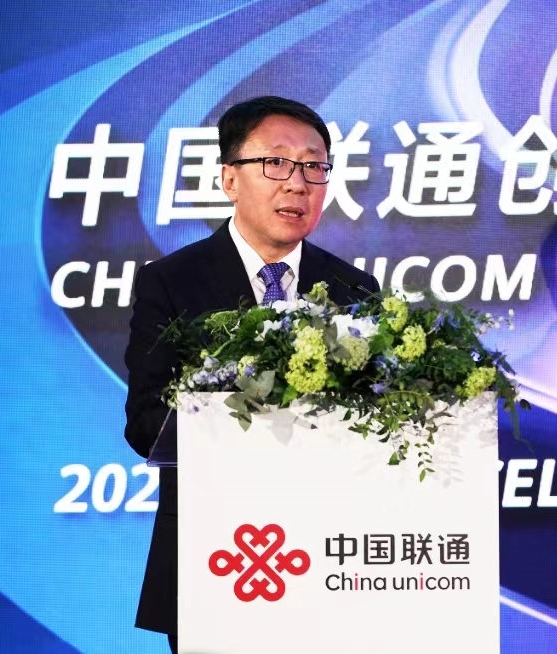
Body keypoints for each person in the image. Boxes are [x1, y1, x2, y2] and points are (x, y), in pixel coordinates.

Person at [123, 96, 380, 653]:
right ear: (229, 179)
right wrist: (241, 410)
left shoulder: (354, 290)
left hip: (332, 564)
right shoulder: (171, 282)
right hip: (216, 560)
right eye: (276, 162)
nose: (297, 183)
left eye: (313, 166)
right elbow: (145, 423)